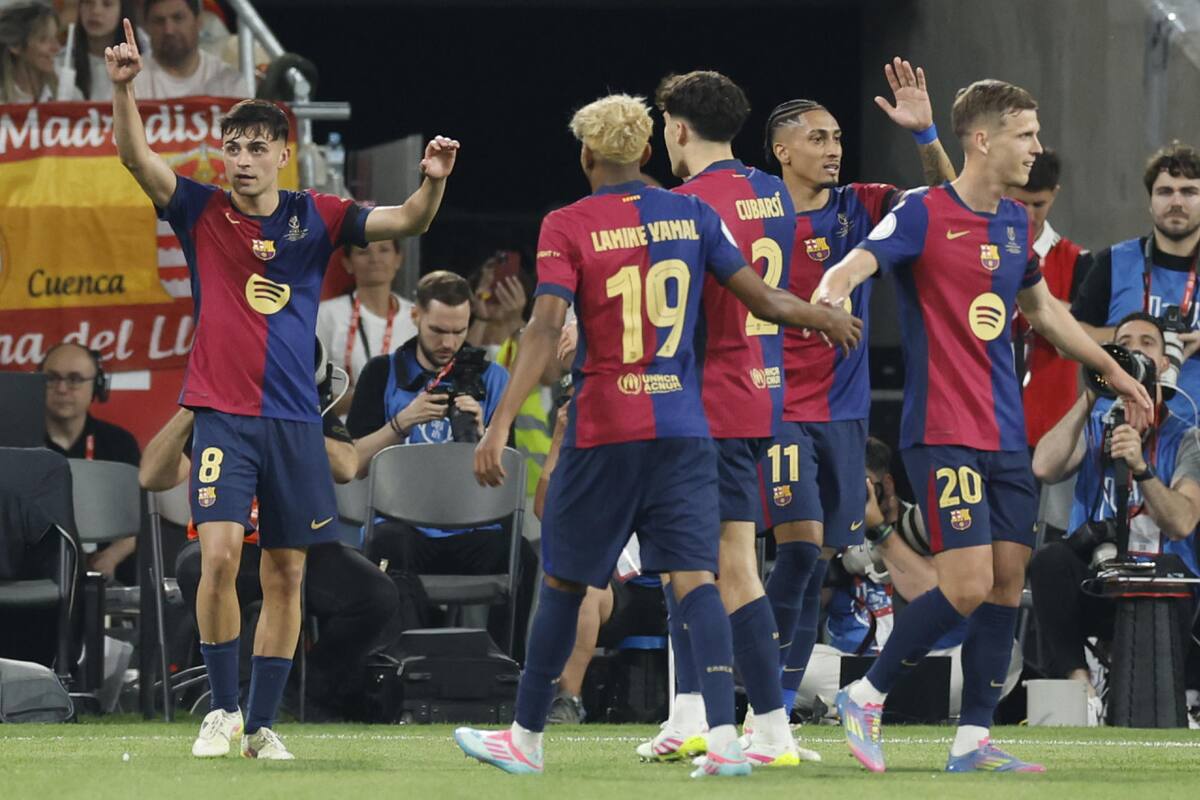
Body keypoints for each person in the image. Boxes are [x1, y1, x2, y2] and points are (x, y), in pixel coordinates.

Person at [453, 92, 859, 779]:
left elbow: (546, 329)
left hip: (607, 426)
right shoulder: (693, 210)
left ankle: (525, 735)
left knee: (563, 581)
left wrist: (498, 423)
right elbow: (761, 296)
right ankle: (726, 741)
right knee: (699, 579)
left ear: (586, 154)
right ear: (645, 152)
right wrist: (820, 320)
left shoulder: (568, 223)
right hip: (685, 425)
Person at [106, 18, 458, 759]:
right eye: (232, 147)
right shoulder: (202, 210)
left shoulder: (318, 216)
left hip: (296, 425)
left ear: (281, 155)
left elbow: (409, 218)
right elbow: (137, 158)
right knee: (223, 556)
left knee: (288, 571)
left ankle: (262, 725)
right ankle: (222, 710)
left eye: (255, 148)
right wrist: (122, 86)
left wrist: (433, 180)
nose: (240, 160)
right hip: (225, 421)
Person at [817, 78, 1151, 774]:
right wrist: (836, 285)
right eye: (1026, 133)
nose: (1037, 146)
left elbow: (1048, 313)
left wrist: (1113, 370)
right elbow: (863, 257)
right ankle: (866, 693)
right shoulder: (919, 212)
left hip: (1005, 432)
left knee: (1005, 582)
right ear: (982, 140)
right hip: (942, 426)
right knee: (965, 584)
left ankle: (972, 740)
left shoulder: (1010, 223)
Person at [757, 58, 956, 718]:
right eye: (818, 138)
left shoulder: (861, 205)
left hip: (843, 415)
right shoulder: (748, 209)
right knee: (796, 550)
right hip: (774, 405)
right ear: (782, 149)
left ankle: (772, 708)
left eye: (838, 137)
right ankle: (764, 703)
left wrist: (926, 136)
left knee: (818, 560)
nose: (833, 149)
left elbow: (949, 209)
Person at [639, 69, 800, 767]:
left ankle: (772, 732)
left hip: (707, 400)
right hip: (761, 390)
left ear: (677, 128)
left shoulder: (684, 205)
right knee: (690, 563)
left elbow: (674, 316)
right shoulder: (774, 192)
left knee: (730, 567)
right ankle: (690, 716)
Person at [139, 368, 399, 723]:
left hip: (299, 543)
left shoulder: (303, 407)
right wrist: (193, 405)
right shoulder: (217, 410)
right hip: (230, 543)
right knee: (200, 566)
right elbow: (151, 476)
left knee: (375, 594)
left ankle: (301, 691)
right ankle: (231, 696)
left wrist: (290, 417)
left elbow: (346, 466)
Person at [346, 269, 535, 659]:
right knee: (385, 545)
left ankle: (506, 674)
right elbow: (352, 465)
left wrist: (487, 434)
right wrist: (401, 422)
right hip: (404, 529)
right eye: (438, 331)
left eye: (459, 331)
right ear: (415, 317)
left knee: (525, 556)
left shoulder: (494, 379)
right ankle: (402, 673)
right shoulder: (382, 374)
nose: (449, 342)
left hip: (474, 528)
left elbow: (507, 479)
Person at [1030, 312, 1200, 724]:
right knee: (1049, 562)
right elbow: (1043, 467)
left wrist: (1142, 468)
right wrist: (1092, 391)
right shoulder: (1092, 425)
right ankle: (1080, 686)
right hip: (1100, 583)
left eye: (1147, 343)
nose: (1133, 350)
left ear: (1163, 363)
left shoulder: (1187, 436)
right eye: (1124, 342)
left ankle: (1184, 697)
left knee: (1172, 568)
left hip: (1166, 593)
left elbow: (1182, 522)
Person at [1071, 142, 1200, 420]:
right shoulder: (1114, 261)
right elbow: (1067, 338)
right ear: (1151, 202)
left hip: (1193, 433)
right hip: (1117, 426)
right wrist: (1138, 336)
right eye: (1165, 192)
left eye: (1189, 191)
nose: (1176, 202)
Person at [1008, 149, 1093, 448]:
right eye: (1021, 202)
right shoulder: (980, 252)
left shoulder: (1078, 261)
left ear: (1055, 194)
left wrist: (1048, 309)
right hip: (985, 419)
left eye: (1039, 204)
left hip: (1049, 426)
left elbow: (1086, 337)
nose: (1029, 215)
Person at [40, 341, 140, 584]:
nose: (62, 389)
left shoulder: (119, 443)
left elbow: (137, 523)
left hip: (100, 573)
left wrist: (111, 558)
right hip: (35, 569)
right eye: (52, 378)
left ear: (97, 385)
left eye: (75, 379)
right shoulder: (18, 444)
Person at [316, 236, 417, 416]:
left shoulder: (416, 317)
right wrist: (364, 397)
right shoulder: (326, 315)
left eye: (384, 250)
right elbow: (311, 389)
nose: (375, 258)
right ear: (347, 263)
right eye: (363, 251)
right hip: (343, 433)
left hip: (404, 432)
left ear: (398, 259)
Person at [132, 0, 243, 99]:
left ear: (199, 21)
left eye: (178, 18)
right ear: (146, 26)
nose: (168, 30)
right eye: (159, 21)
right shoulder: (131, 81)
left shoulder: (230, 81)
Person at [0, 1, 77, 102]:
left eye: (55, 37)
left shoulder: (66, 87)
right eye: (43, 39)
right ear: (15, 46)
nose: (56, 48)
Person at [62, 0, 139, 100]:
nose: (95, 11)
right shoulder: (61, 62)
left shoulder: (138, 65)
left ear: (123, 10)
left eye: (107, 4)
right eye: (88, 2)